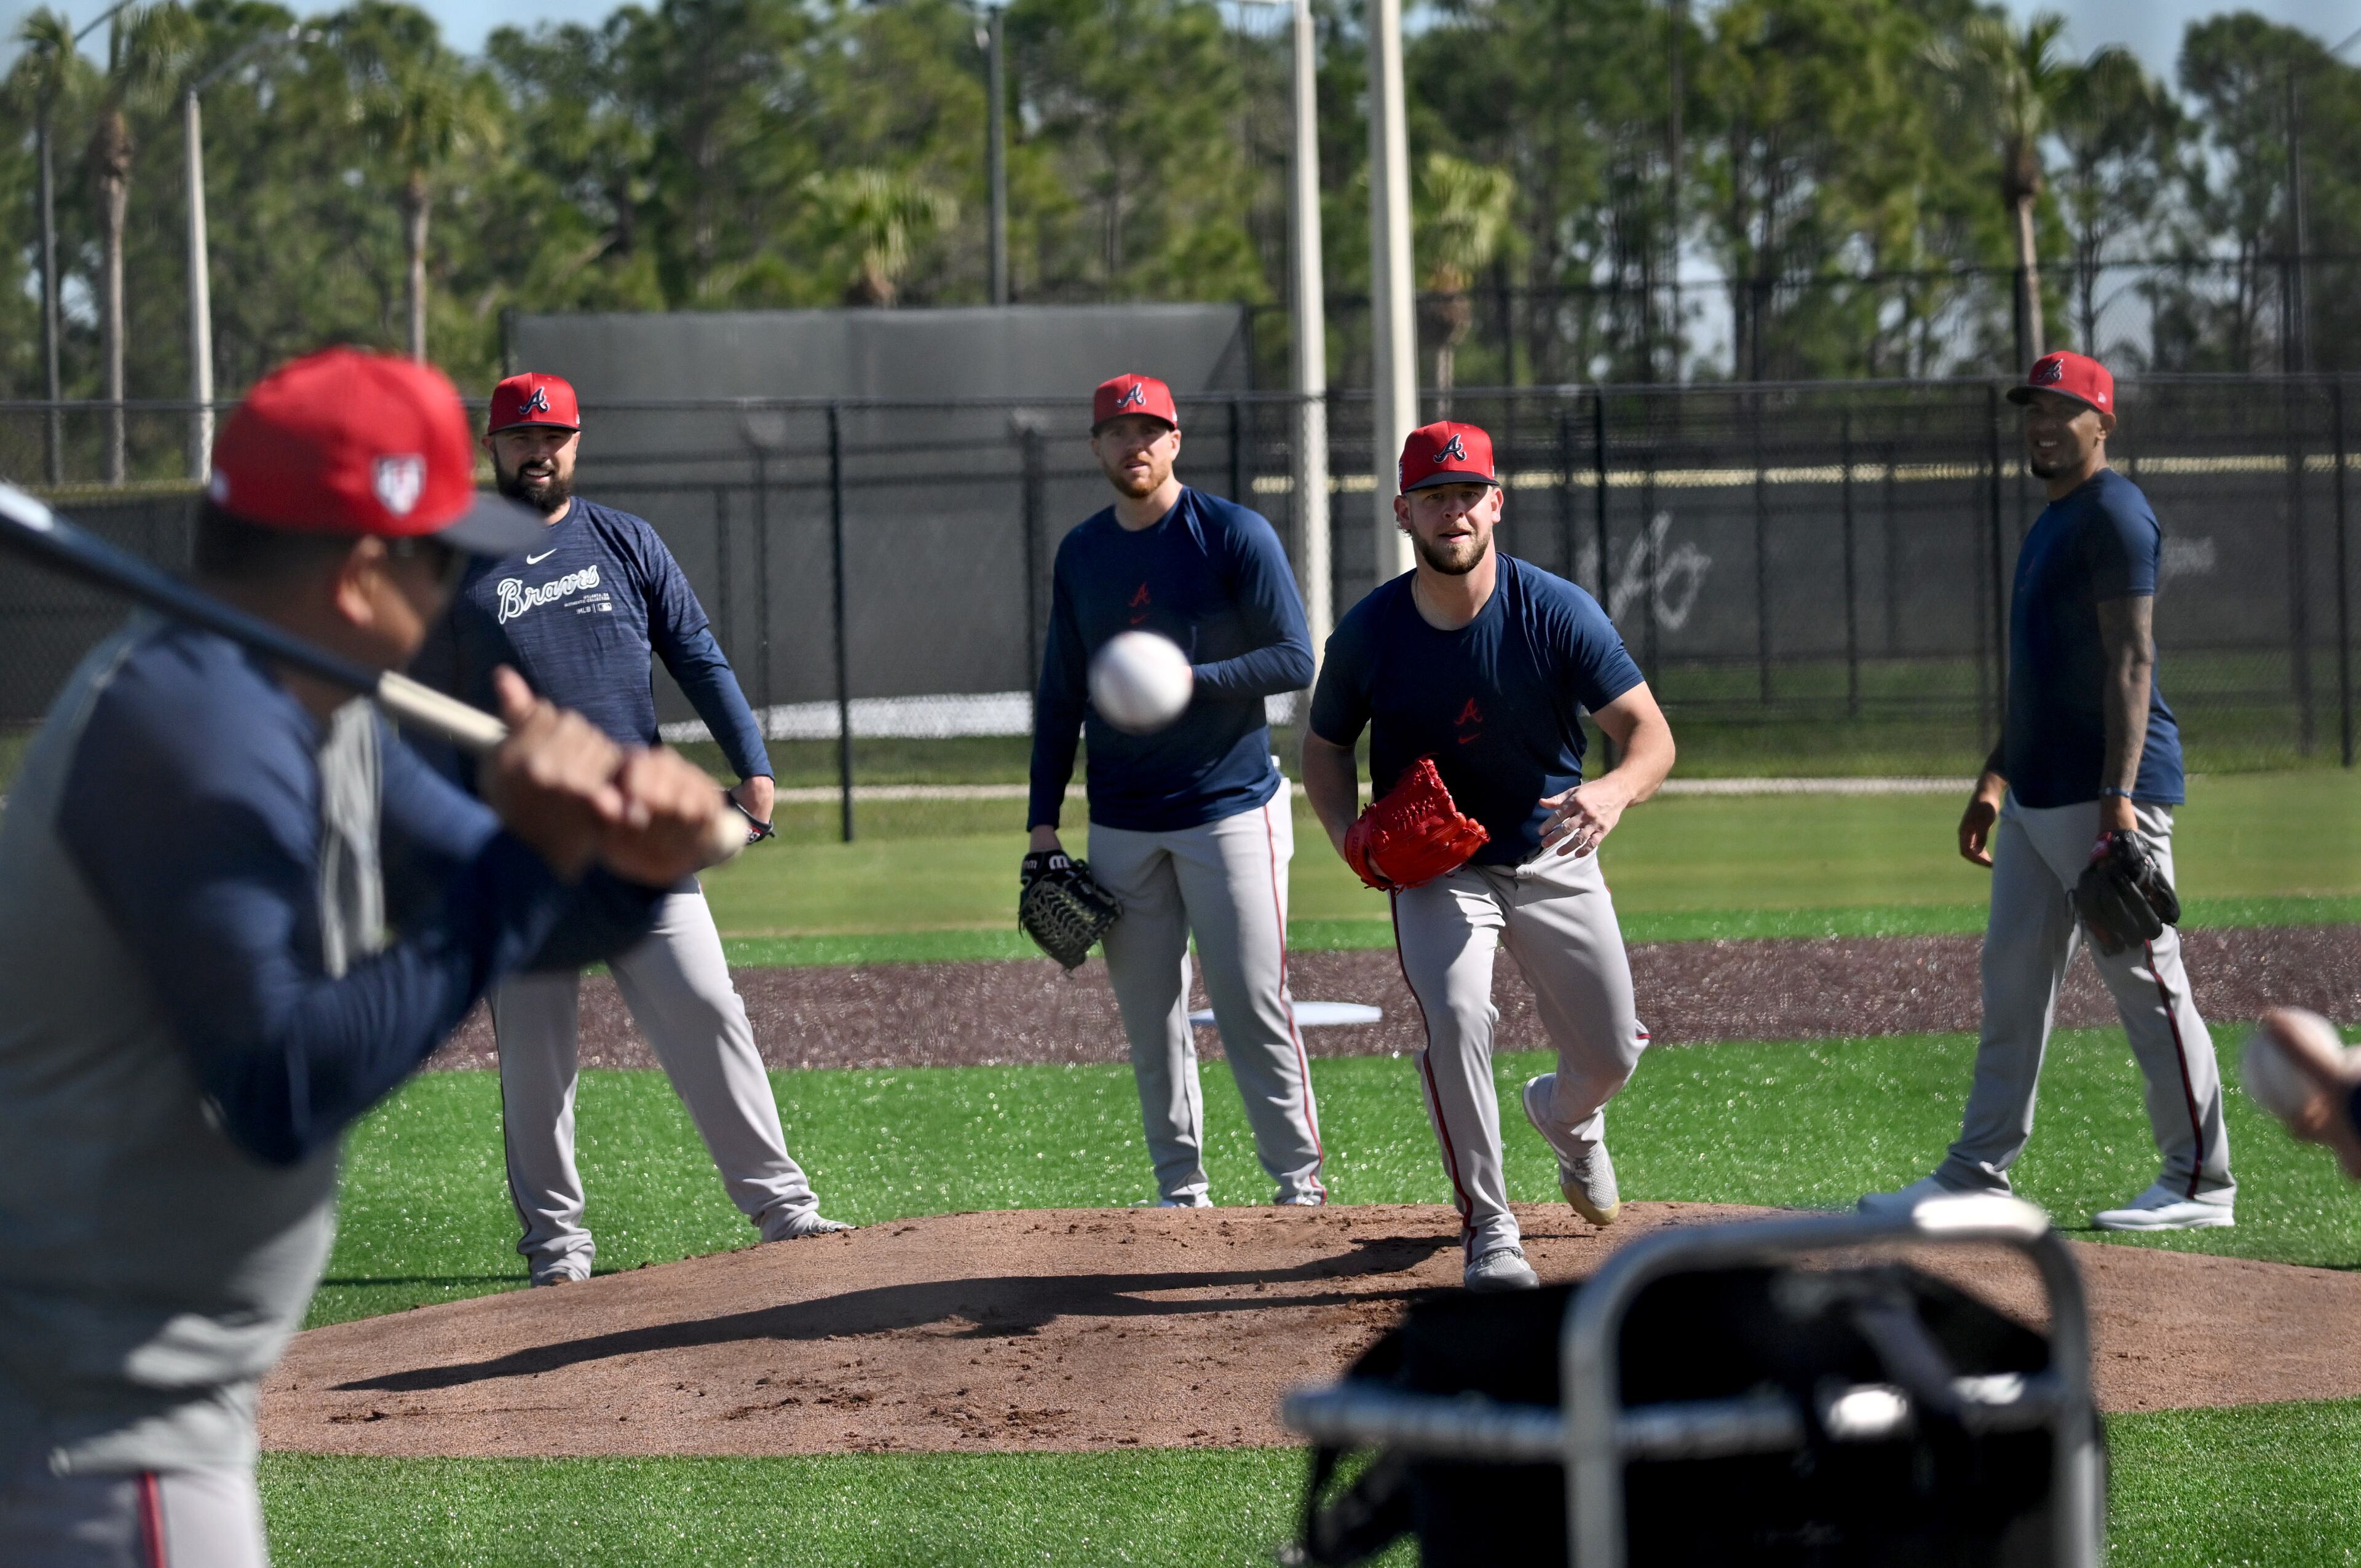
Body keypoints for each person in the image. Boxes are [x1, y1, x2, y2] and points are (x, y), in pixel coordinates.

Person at [0, 348, 728, 1566]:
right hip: (89, 1427)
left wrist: (622, 857)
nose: (458, 587)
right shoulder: (190, 729)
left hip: (137, 1404)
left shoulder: (312, 705)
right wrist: (524, 864)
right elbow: (278, 1086)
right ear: (361, 573)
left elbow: (522, 905)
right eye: (443, 557)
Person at [419, 372, 845, 1287]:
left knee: (708, 1010)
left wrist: (755, 766)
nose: (541, 452)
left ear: (577, 440)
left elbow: (696, 651)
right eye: (523, 439)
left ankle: (785, 1211)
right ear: (491, 448)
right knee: (538, 1062)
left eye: (557, 436)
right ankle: (559, 1255)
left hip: (639, 843)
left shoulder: (623, 540)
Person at [1861, 351, 2234, 1231]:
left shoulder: (2114, 514)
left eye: (2063, 409)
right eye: (2033, 407)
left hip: (2103, 792)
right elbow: (2043, 674)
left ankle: (2199, 1182)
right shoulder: (2054, 520)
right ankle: (1977, 1172)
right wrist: (1995, 779)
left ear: (2103, 424)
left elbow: (2132, 660)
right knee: (2014, 983)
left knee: (2145, 977)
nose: (2042, 423)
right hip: (2038, 795)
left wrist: (2120, 797)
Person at [1301, 421, 1676, 1291]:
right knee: (1461, 1018)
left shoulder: (1556, 611)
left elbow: (1650, 737)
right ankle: (1491, 1230)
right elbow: (1323, 746)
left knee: (1613, 1053)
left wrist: (1612, 792)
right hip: (1436, 870)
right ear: (1404, 513)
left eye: (1467, 493)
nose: (1453, 510)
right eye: (1434, 497)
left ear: (1496, 503)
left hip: (1553, 850)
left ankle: (1570, 1122)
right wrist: (1346, 835)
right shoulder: (1371, 633)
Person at [1027, 372, 1326, 1207]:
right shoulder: (1083, 553)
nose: (1136, 445)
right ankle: (1179, 1192)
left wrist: (1187, 679)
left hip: (1230, 809)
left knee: (1251, 1004)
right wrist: (1042, 825)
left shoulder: (1233, 534)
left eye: (1150, 429)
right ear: (1097, 448)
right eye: (1119, 432)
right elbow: (1059, 695)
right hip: (1121, 821)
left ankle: (1298, 1183)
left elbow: (1295, 658)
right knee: (1151, 1023)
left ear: (1176, 440)